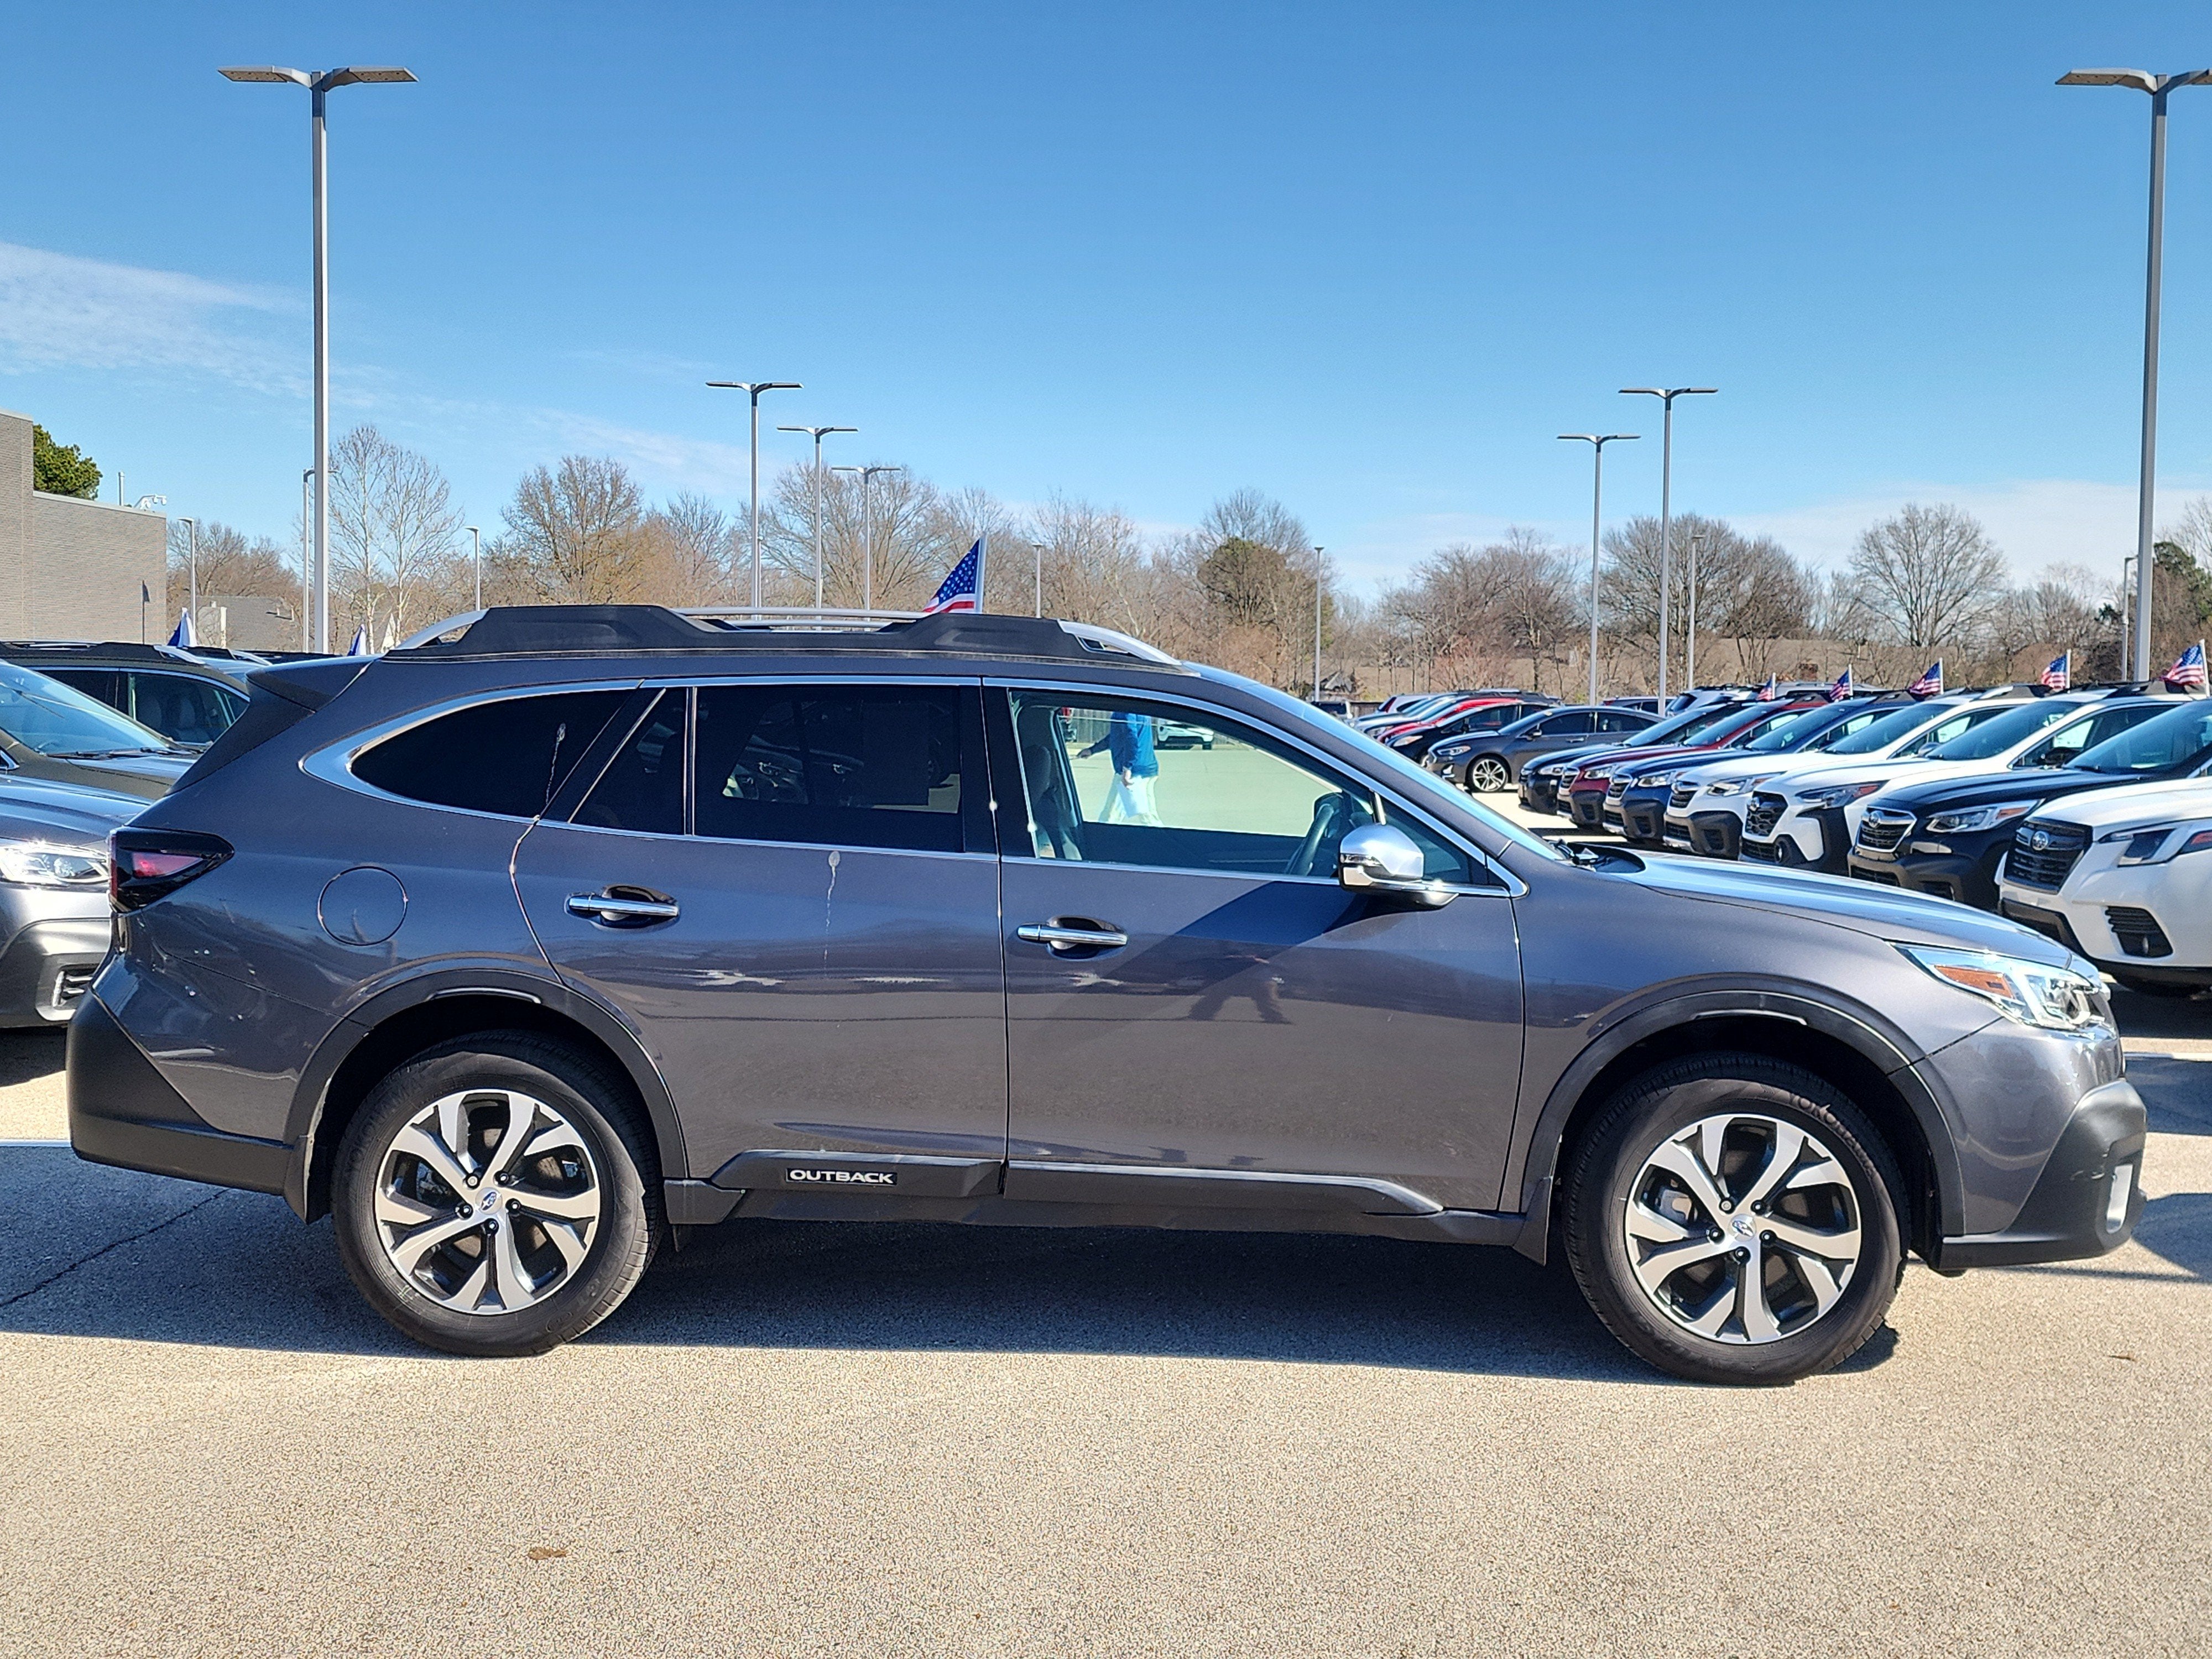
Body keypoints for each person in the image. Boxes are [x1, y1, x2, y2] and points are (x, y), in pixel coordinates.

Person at [1082, 709, 1161, 825]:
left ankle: (1102, 836)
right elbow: (1118, 736)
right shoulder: (1139, 709)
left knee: (1111, 816)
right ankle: (1161, 836)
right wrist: (1092, 750)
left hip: (1134, 773)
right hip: (1147, 769)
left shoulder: (1125, 712)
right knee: (1148, 817)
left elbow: (1131, 737)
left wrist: (1127, 768)